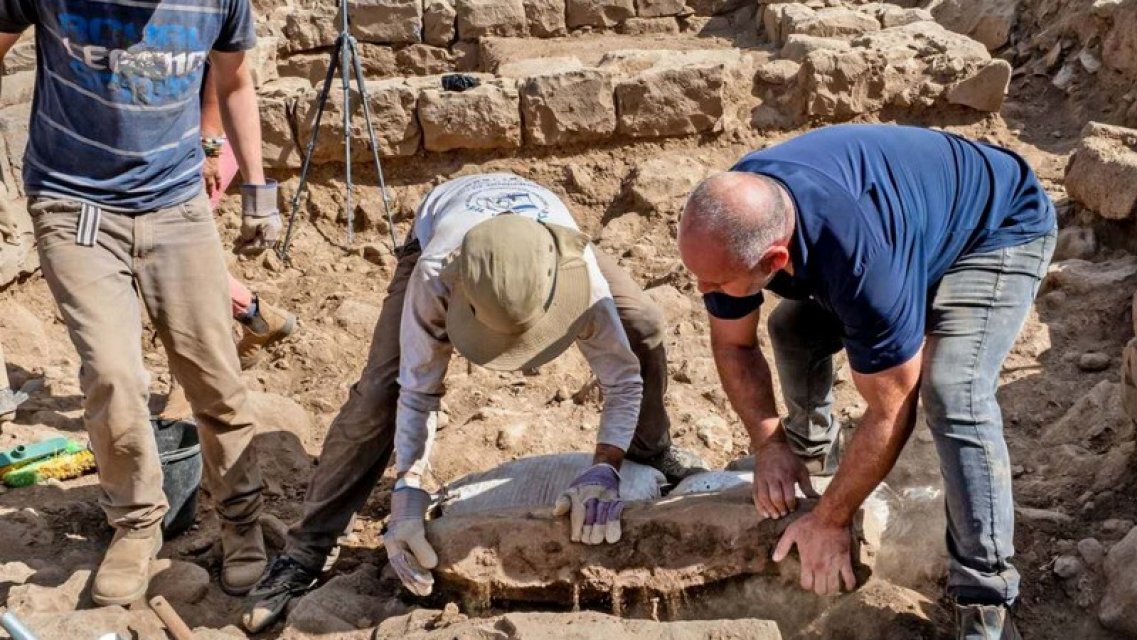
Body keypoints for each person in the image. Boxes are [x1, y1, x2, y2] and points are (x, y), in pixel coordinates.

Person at [242, 173, 706, 631]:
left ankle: (649, 448)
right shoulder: (436, 271)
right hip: (444, 221)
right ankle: (304, 553)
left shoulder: (576, 269)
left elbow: (622, 379)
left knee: (641, 325)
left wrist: (605, 466)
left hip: (538, 240)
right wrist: (407, 489)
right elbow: (418, 389)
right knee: (380, 393)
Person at [677, 124, 1057, 639]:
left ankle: (986, 598)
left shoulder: (862, 262)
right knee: (793, 328)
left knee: (952, 392)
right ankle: (811, 453)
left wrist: (832, 518)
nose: (705, 291)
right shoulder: (740, 214)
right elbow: (733, 344)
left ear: (775, 260)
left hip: (996, 227)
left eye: (717, 282)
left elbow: (891, 408)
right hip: (908, 223)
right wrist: (770, 443)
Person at [0, 0, 278, 605]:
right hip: (73, 203)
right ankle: (135, 523)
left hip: (176, 204)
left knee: (214, 374)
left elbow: (231, 78)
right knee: (113, 373)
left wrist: (257, 187)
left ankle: (240, 518)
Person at [199, 67, 297, 370]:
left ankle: (191, 382)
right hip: (164, 148)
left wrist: (208, 147)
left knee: (175, 260)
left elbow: (221, 67)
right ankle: (256, 315)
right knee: (172, 257)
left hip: (202, 144)